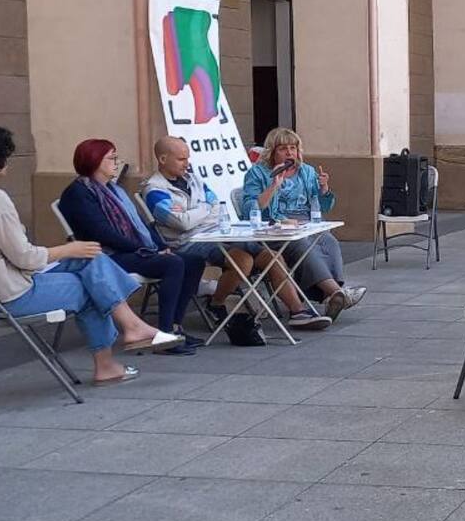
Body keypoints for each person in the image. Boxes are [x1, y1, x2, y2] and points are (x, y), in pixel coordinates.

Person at [0, 127, 182, 386]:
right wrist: (69, 249)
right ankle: (112, 358)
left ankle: (131, 329)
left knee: (92, 260)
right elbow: (26, 258)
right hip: (5, 294)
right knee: (93, 286)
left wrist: (75, 251)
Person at [143, 136, 330, 343]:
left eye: (188, 158)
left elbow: (217, 206)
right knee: (243, 258)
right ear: (162, 159)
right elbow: (182, 223)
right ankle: (217, 302)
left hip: (218, 233)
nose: (187, 163)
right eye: (181, 159)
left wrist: (195, 211)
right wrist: (203, 209)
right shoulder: (155, 190)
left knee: (268, 256)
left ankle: (298, 312)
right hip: (190, 242)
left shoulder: (192, 178)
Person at [59, 139, 201, 354]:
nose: (117, 162)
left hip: (131, 251)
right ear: (94, 160)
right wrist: (146, 250)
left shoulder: (114, 190)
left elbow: (141, 224)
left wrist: (160, 245)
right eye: (111, 158)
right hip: (105, 258)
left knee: (194, 262)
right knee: (172, 264)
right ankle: (163, 336)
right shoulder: (78, 193)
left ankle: (175, 327)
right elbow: (102, 234)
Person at [241, 127, 366, 321]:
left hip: (305, 221)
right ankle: (335, 293)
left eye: (293, 147)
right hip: (274, 226)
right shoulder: (257, 173)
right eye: (283, 148)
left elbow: (322, 206)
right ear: (272, 151)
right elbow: (250, 209)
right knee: (301, 244)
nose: (290, 152)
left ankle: (331, 296)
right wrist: (274, 185)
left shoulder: (306, 171)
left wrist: (324, 189)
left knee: (328, 240)